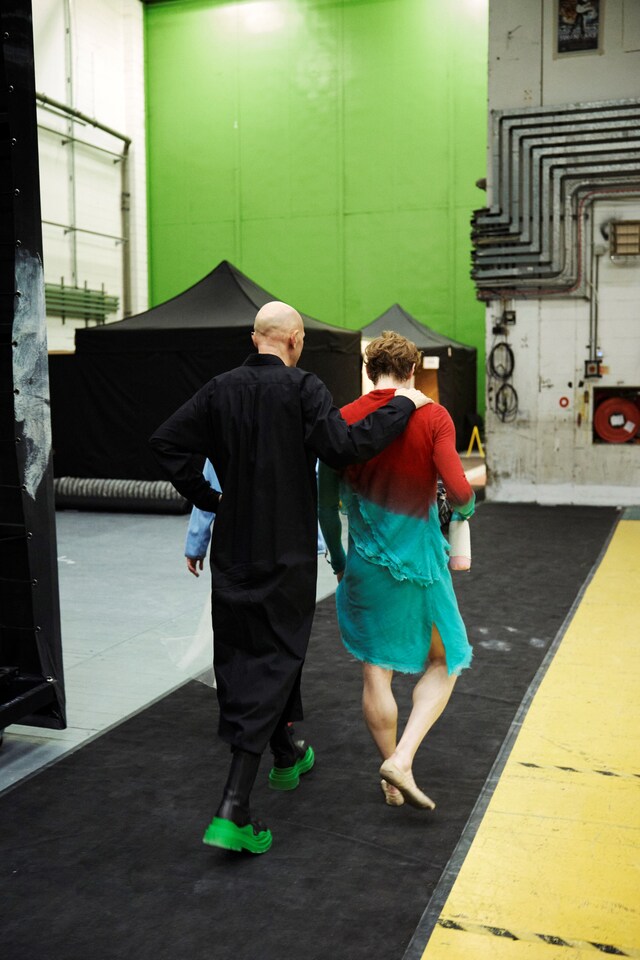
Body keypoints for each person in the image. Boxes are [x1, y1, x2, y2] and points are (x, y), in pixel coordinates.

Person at [149, 302, 429, 854]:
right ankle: (234, 807)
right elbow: (345, 448)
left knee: (246, 652)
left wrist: (211, 498)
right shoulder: (305, 390)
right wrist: (401, 407)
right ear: (295, 341)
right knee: (276, 654)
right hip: (286, 553)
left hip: (234, 551)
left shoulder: (218, 389)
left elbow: (166, 442)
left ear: (256, 338)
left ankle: (286, 754)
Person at [318, 330, 475, 809]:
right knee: (448, 658)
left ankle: (390, 775)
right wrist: (463, 518)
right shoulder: (433, 416)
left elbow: (325, 510)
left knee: (375, 673)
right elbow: (461, 491)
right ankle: (402, 759)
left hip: (364, 564)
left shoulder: (341, 420)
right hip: (422, 566)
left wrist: (342, 566)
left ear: (368, 372)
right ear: (412, 371)